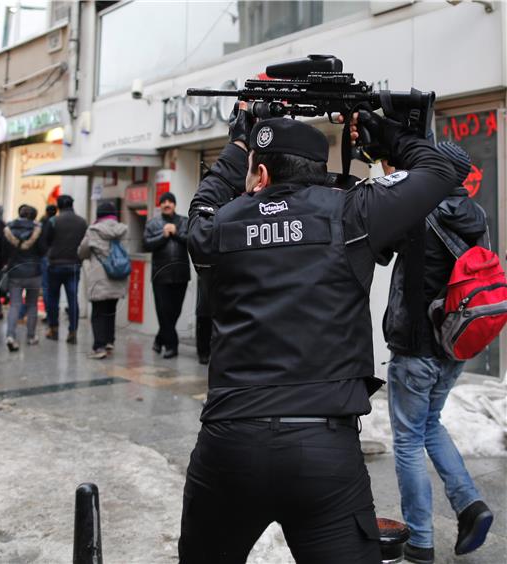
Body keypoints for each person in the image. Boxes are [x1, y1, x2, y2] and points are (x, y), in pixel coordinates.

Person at [179, 101, 459, 563]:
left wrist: (235, 148)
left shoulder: (222, 226)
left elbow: (202, 208)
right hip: (323, 450)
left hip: (230, 446)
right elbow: (442, 168)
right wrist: (384, 132)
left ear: (261, 176)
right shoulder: (353, 211)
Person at [382, 141, 493, 564]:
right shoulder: (476, 214)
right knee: (429, 425)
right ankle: (470, 504)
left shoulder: (418, 212)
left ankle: (421, 541)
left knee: (409, 440)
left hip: (416, 347)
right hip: (456, 343)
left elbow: (379, 248)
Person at [77, 201, 129, 360]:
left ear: (99, 214)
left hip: (99, 277)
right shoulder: (123, 229)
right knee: (110, 310)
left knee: (98, 312)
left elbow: (82, 252)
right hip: (117, 275)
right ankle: (109, 341)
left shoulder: (93, 230)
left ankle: (99, 346)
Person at [143, 191, 190, 358]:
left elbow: (191, 241)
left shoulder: (184, 221)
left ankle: (159, 339)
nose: (167, 204)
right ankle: (172, 346)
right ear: (160, 205)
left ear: (174, 204)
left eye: (170, 201)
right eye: (164, 202)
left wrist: (176, 233)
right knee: (163, 312)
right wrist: (163, 236)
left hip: (181, 275)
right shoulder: (153, 223)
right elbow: (147, 244)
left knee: (174, 312)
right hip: (160, 275)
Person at [43, 195, 87, 344]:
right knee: (73, 299)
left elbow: (46, 241)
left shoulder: (53, 221)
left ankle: (53, 329)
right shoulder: (82, 222)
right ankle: (72, 331)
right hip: (74, 265)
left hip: (55, 265)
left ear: (58, 206)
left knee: (52, 298)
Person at [3, 204, 44, 352]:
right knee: (32, 305)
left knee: (14, 304)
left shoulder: (8, 230)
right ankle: (31, 336)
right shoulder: (38, 230)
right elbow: (43, 250)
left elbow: (4, 251)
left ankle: (11, 335)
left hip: (15, 272)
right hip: (34, 272)